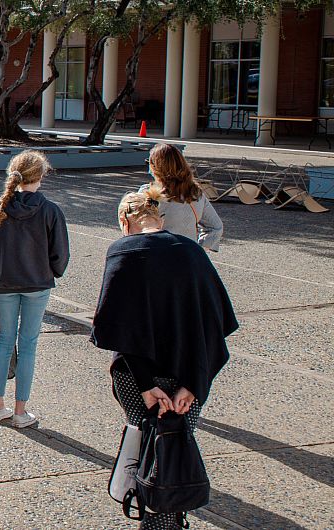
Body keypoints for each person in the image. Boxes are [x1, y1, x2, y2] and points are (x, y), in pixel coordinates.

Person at [91, 190, 237, 530]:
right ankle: (169, 521)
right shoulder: (191, 252)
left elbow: (118, 326)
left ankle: (158, 525)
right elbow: (214, 323)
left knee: (148, 457)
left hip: (137, 378)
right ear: (161, 218)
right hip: (188, 375)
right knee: (175, 452)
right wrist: (193, 382)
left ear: (125, 222)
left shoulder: (123, 250)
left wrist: (146, 385)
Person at [0, 150, 70, 428]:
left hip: (5, 283)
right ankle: (21, 411)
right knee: (28, 344)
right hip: (37, 283)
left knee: (5, 342)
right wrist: (51, 271)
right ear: (41, 176)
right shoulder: (50, 210)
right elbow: (60, 254)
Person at [141, 143, 223, 252]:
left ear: (155, 167)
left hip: (155, 255)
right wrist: (199, 250)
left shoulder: (148, 193)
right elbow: (215, 227)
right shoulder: (195, 194)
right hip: (187, 257)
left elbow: (136, 225)